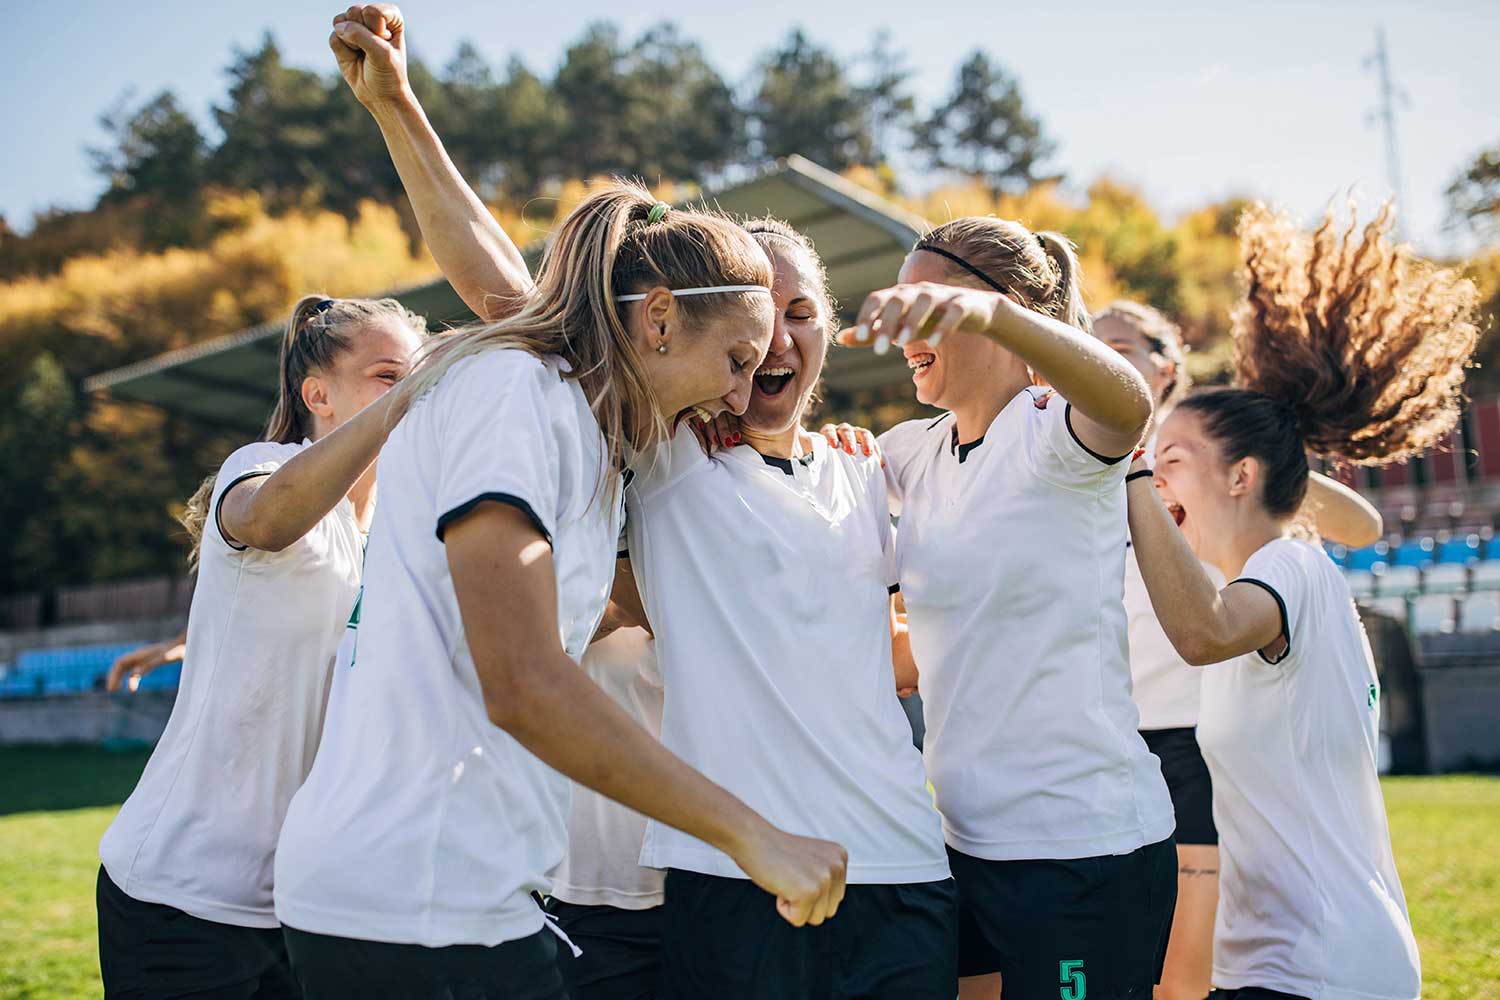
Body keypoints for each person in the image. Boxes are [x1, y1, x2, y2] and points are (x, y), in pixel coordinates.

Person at [271, 161, 847, 997]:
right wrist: (753, 836)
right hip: (411, 899)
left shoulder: (588, 425)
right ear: (655, 321)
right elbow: (524, 682)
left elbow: (510, 286)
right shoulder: (513, 393)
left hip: (465, 895)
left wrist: (397, 106)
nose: (734, 397)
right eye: (733, 360)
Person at [1125, 202, 1476, 1000]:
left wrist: (1129, 472)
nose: (1159, 476)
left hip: (1322, 966)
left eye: (1173, 461)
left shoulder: (1291, 566)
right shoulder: (1265, 573)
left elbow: (1203, 633)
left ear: (1242, 477)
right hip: (1280, 963)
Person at [619, 216, 955, 999]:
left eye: (798, 312)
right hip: (736, 876)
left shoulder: (864, 467)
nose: (776, 339)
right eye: (758, 314)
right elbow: (517, 305)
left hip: (901, 865)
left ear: (828, 328)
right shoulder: (666, 454)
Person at [843, 218, 1177, 1000]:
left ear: (1005, 306)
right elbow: (804, 476)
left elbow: (1128, 406)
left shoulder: (1056, 435)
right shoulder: (911, 454)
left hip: (1082, 851)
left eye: (929, 306)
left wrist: (993, 316)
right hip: (963, 841)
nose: (906, 333)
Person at [96, 294, 429, 999]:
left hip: (304, 908)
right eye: (390, 377)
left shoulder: (398, 533)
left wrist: (183, 644)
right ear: (319, 394)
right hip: (182, 899)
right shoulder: (265, 464)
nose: (414, 393)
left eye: (422, 377)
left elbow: (309, 622)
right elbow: (268, 522)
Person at [1095, 300, 1383, 1000]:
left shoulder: (1262, 538)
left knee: (1181, 977)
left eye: (1120, 347)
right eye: (1089, 347)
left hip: (1202, 736)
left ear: (1165, 366)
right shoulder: (1086, 456)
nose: (1102, 359)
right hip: (1126, 741)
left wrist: (1227, 461)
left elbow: (1362, 526)